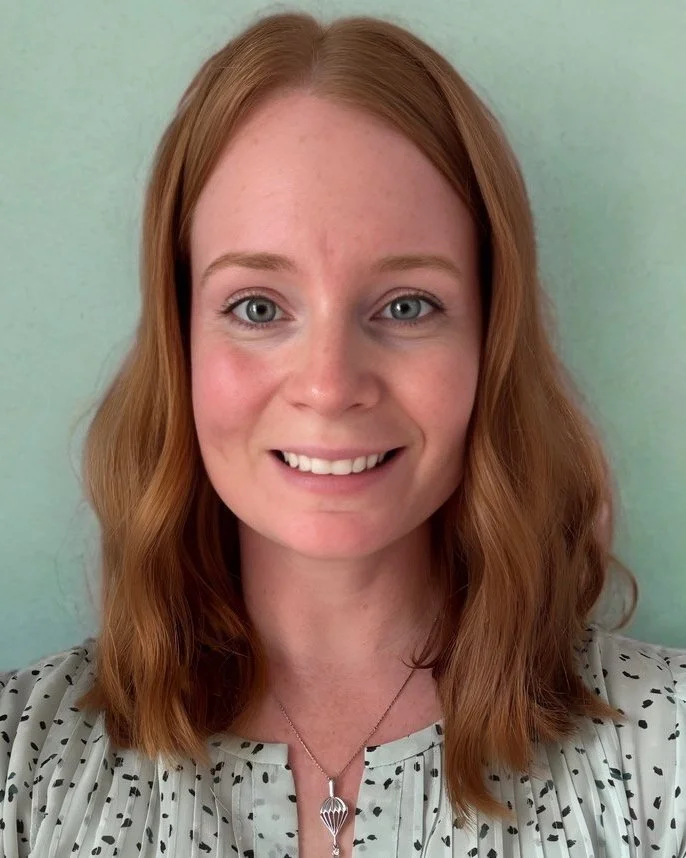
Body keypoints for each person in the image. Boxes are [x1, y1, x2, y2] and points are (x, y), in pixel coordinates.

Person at [1, 10, 684, 858]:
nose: (328, 385)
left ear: (489, 342)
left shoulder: (667, 753)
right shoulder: (21, 768)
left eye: (406, 306)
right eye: (257, 307)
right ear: (180, 341)